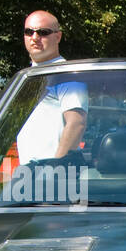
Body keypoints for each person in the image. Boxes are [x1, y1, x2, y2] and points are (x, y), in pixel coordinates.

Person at [17, 10, 88, 163]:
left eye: (43, 32)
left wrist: (55, 169)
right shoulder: (31, 75)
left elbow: (76, 123)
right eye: (29, 32)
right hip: (32, 172)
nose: (35, 38)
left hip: (52, 175)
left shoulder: (66, 74)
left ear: (58, 36)